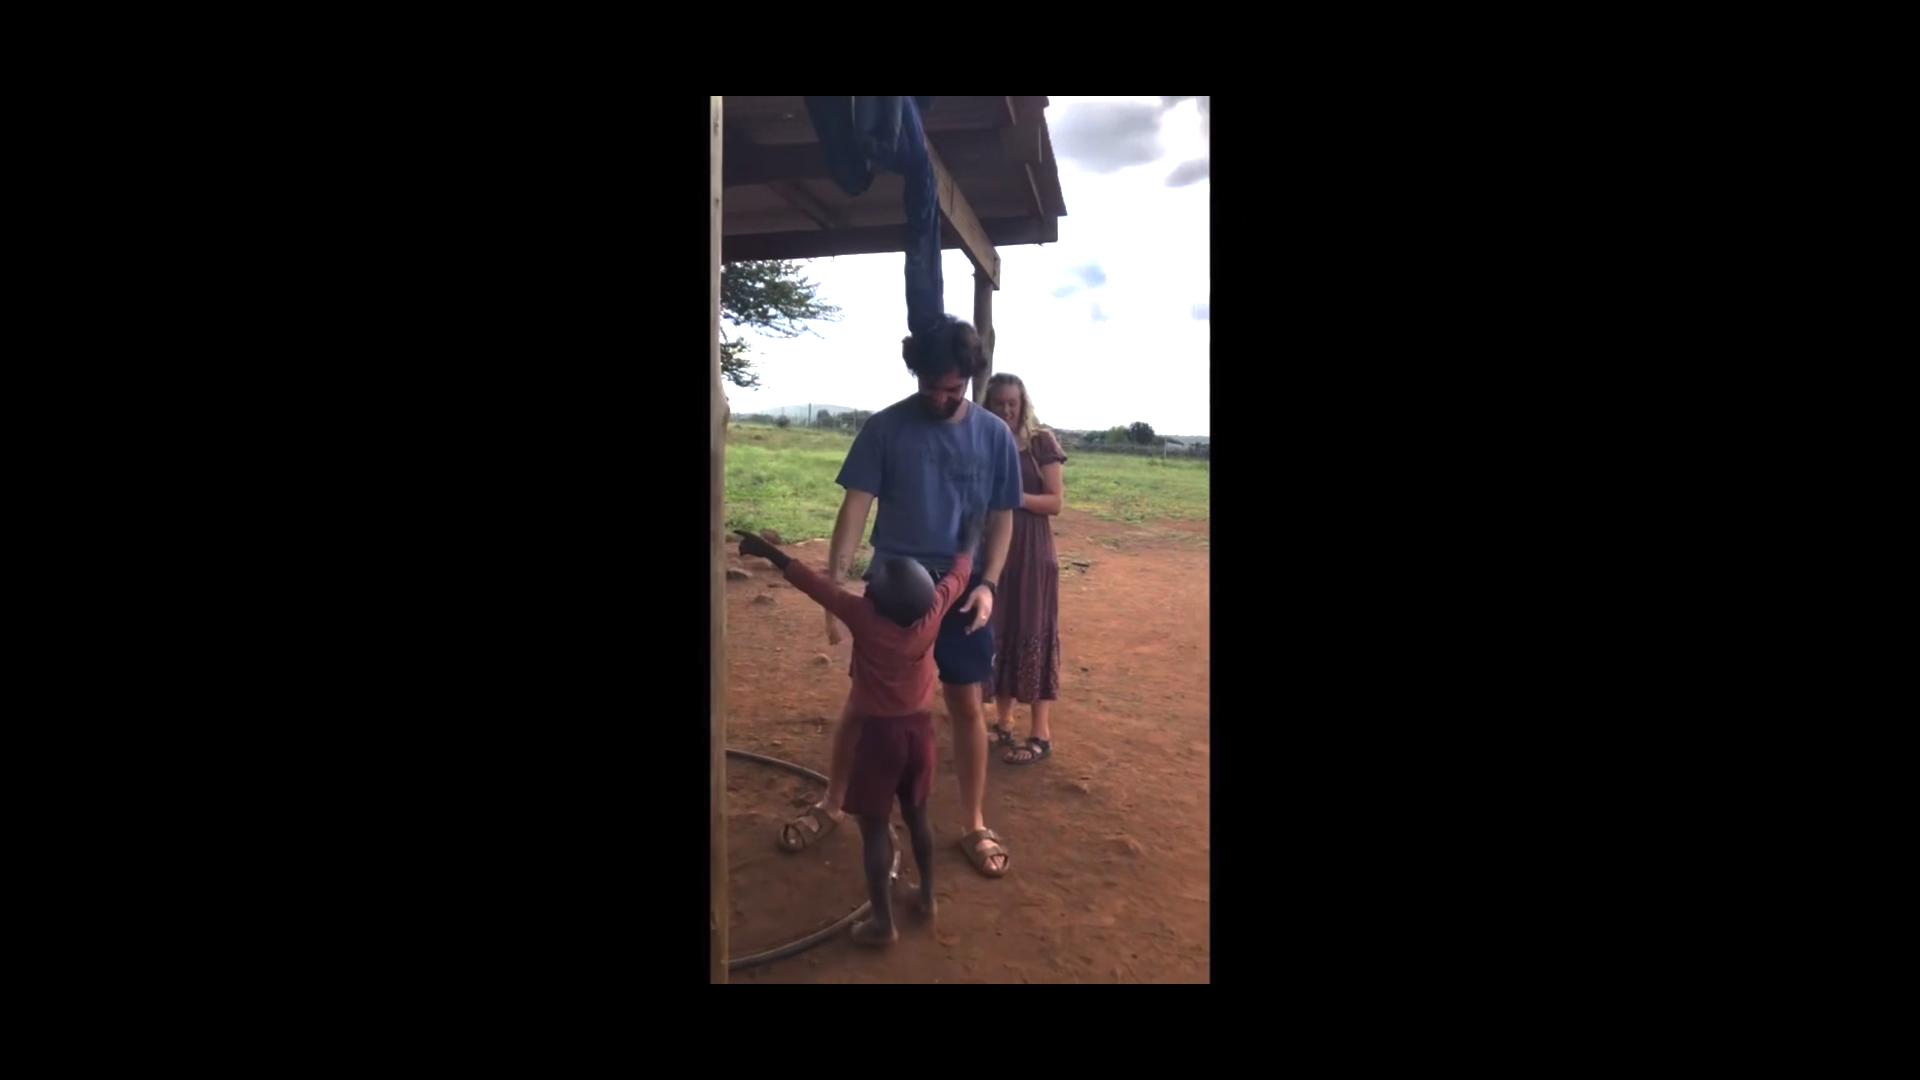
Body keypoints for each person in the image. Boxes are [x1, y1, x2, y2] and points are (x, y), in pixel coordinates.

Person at [775, 320, 1024, 879]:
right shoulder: (885, 428)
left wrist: (989, 584)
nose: (939, 397)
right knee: (866, 704)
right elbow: (856, 507)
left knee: (966, 705)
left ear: (969, 380)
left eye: (952, 389)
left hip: (962, 588)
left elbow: (1002, 517)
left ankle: (974, 822)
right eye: (929, 386)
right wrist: (833, 586)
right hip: (894, 585)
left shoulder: (994, 436)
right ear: (915, 375)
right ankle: (832, 804)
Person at [736, 517, 980, 946]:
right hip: (919, 734)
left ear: (874, 601)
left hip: (878, 738)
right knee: (918, 818)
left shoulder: (863, 617)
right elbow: (960, 573)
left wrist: (767, 550)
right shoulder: (934, 611)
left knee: (873, 829)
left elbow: (813, 584)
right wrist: (970, 532)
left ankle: (883, 925)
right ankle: (927, 899)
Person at [980, 373, 1067, 764]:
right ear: (988, 404)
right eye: (999, 402)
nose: (1006, 409)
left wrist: (1013, 497)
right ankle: (1003, 723)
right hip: (998, 553)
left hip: (1033, 554)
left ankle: (1040, 734)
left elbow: (1054, 502)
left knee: (1034, 632)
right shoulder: (985, 444)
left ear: (1023, 403)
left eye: (1012, 402)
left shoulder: (1039, 442)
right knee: (999, 632)